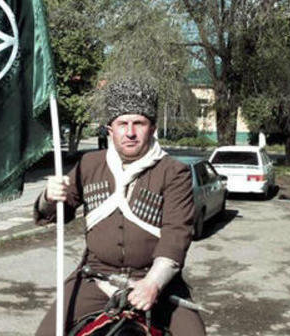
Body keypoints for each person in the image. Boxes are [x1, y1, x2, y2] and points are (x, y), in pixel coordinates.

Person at [33, 78, 205, 335]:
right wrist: (49, 196)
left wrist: (153, 284)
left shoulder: (174, 171)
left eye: (139, 123)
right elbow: (58, 212)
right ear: (110, 130)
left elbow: (177, 234)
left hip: (154, 281)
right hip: (95, 279)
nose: (130, 132)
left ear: (153, 128)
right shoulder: (89, 164)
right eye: (122, 124)